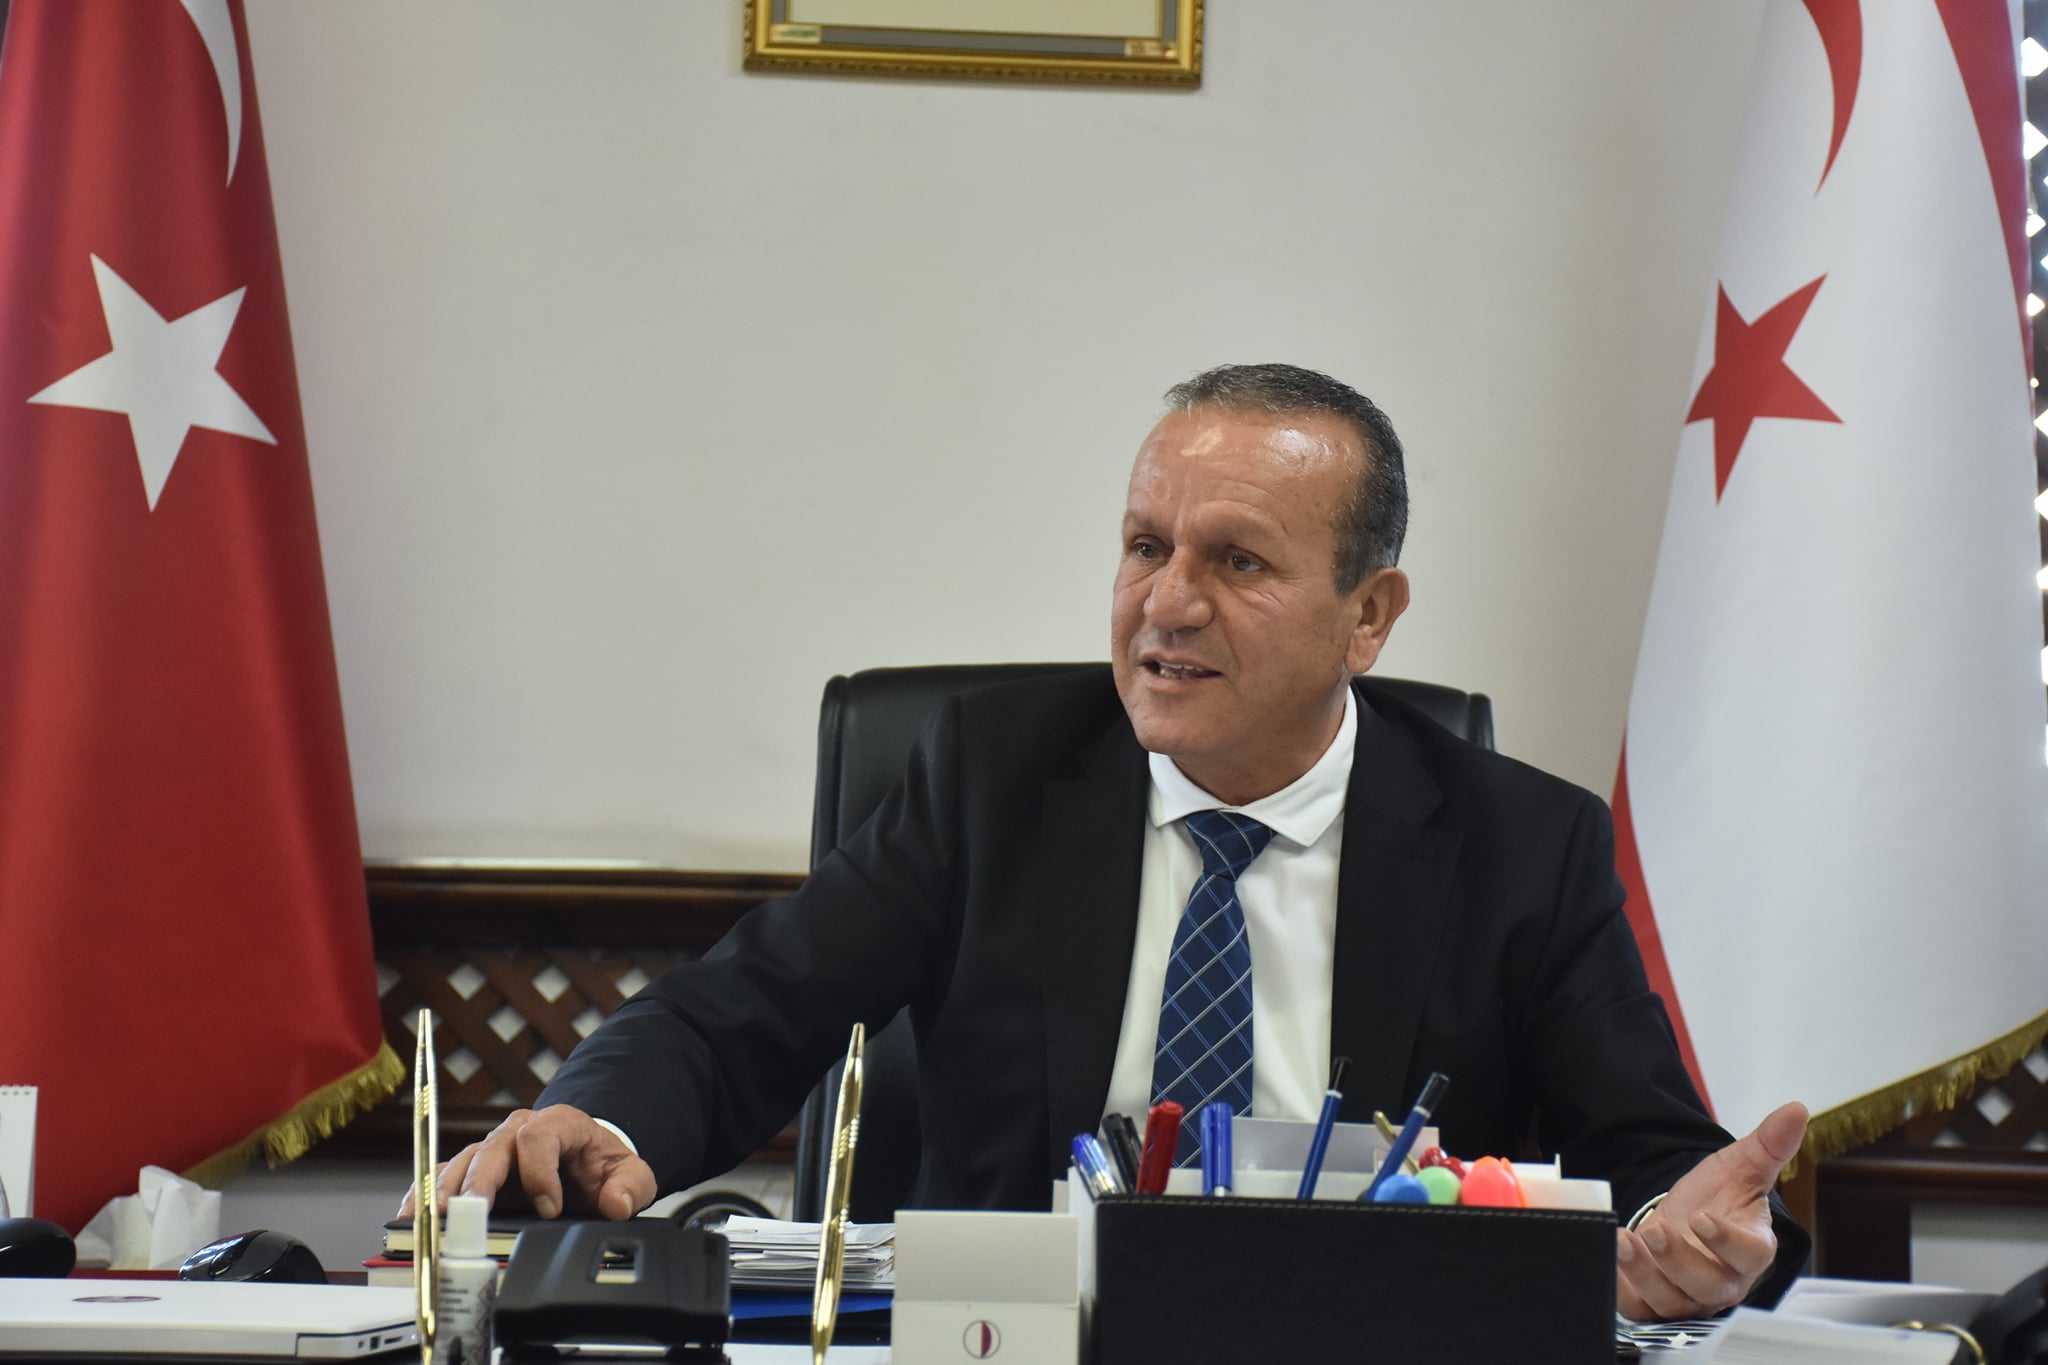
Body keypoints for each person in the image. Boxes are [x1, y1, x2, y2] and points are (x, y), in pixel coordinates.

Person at [400, 363, 1810, 1322]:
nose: (1166, 605)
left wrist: (1702, 1238)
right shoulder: (994, 777)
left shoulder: (1520, 844)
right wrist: (598, 1127)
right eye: (1145, 547)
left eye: (1236, 562)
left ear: (1370, 617)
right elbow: (736, 1016)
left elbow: (1655, 1157)